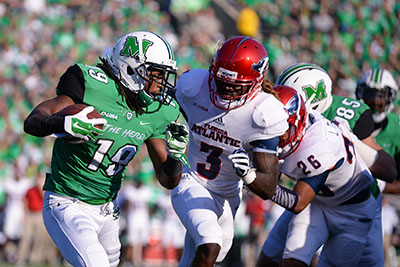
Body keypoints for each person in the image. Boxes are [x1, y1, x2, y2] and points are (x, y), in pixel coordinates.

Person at [23, 31, 189, 267]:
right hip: (68, 201)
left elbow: (168, 179)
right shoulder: (92, 84)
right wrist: (63, 123)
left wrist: (175, 157)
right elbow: (32, 121)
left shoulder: (158, 110)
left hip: (108, 210)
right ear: (132, 68)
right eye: (156, 73)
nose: (161, 82)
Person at [262, 62, 397, 266]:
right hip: (314, 199)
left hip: (354, 206)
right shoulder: (290, 123)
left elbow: (388, 170)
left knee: (371, 263)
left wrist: (357, 149)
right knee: (272, 253)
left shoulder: (343, 120)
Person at [171, 36, 289, 266]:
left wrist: (248, 174)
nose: (224, 91)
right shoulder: (193, 86)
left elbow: (268, 187)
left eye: (234, 87)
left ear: (256, 82)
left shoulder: (264, 113)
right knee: (210, 243)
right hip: (191, 181)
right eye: (221, 82)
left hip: (228, 196)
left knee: (204, 255)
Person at [355, 68, 400, 192]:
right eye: (370, 96)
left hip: (386, 196)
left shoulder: (396, 127)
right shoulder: (350, 118)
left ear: (391, 98)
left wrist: (382, 188)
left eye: (381, 97)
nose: (375, 102)